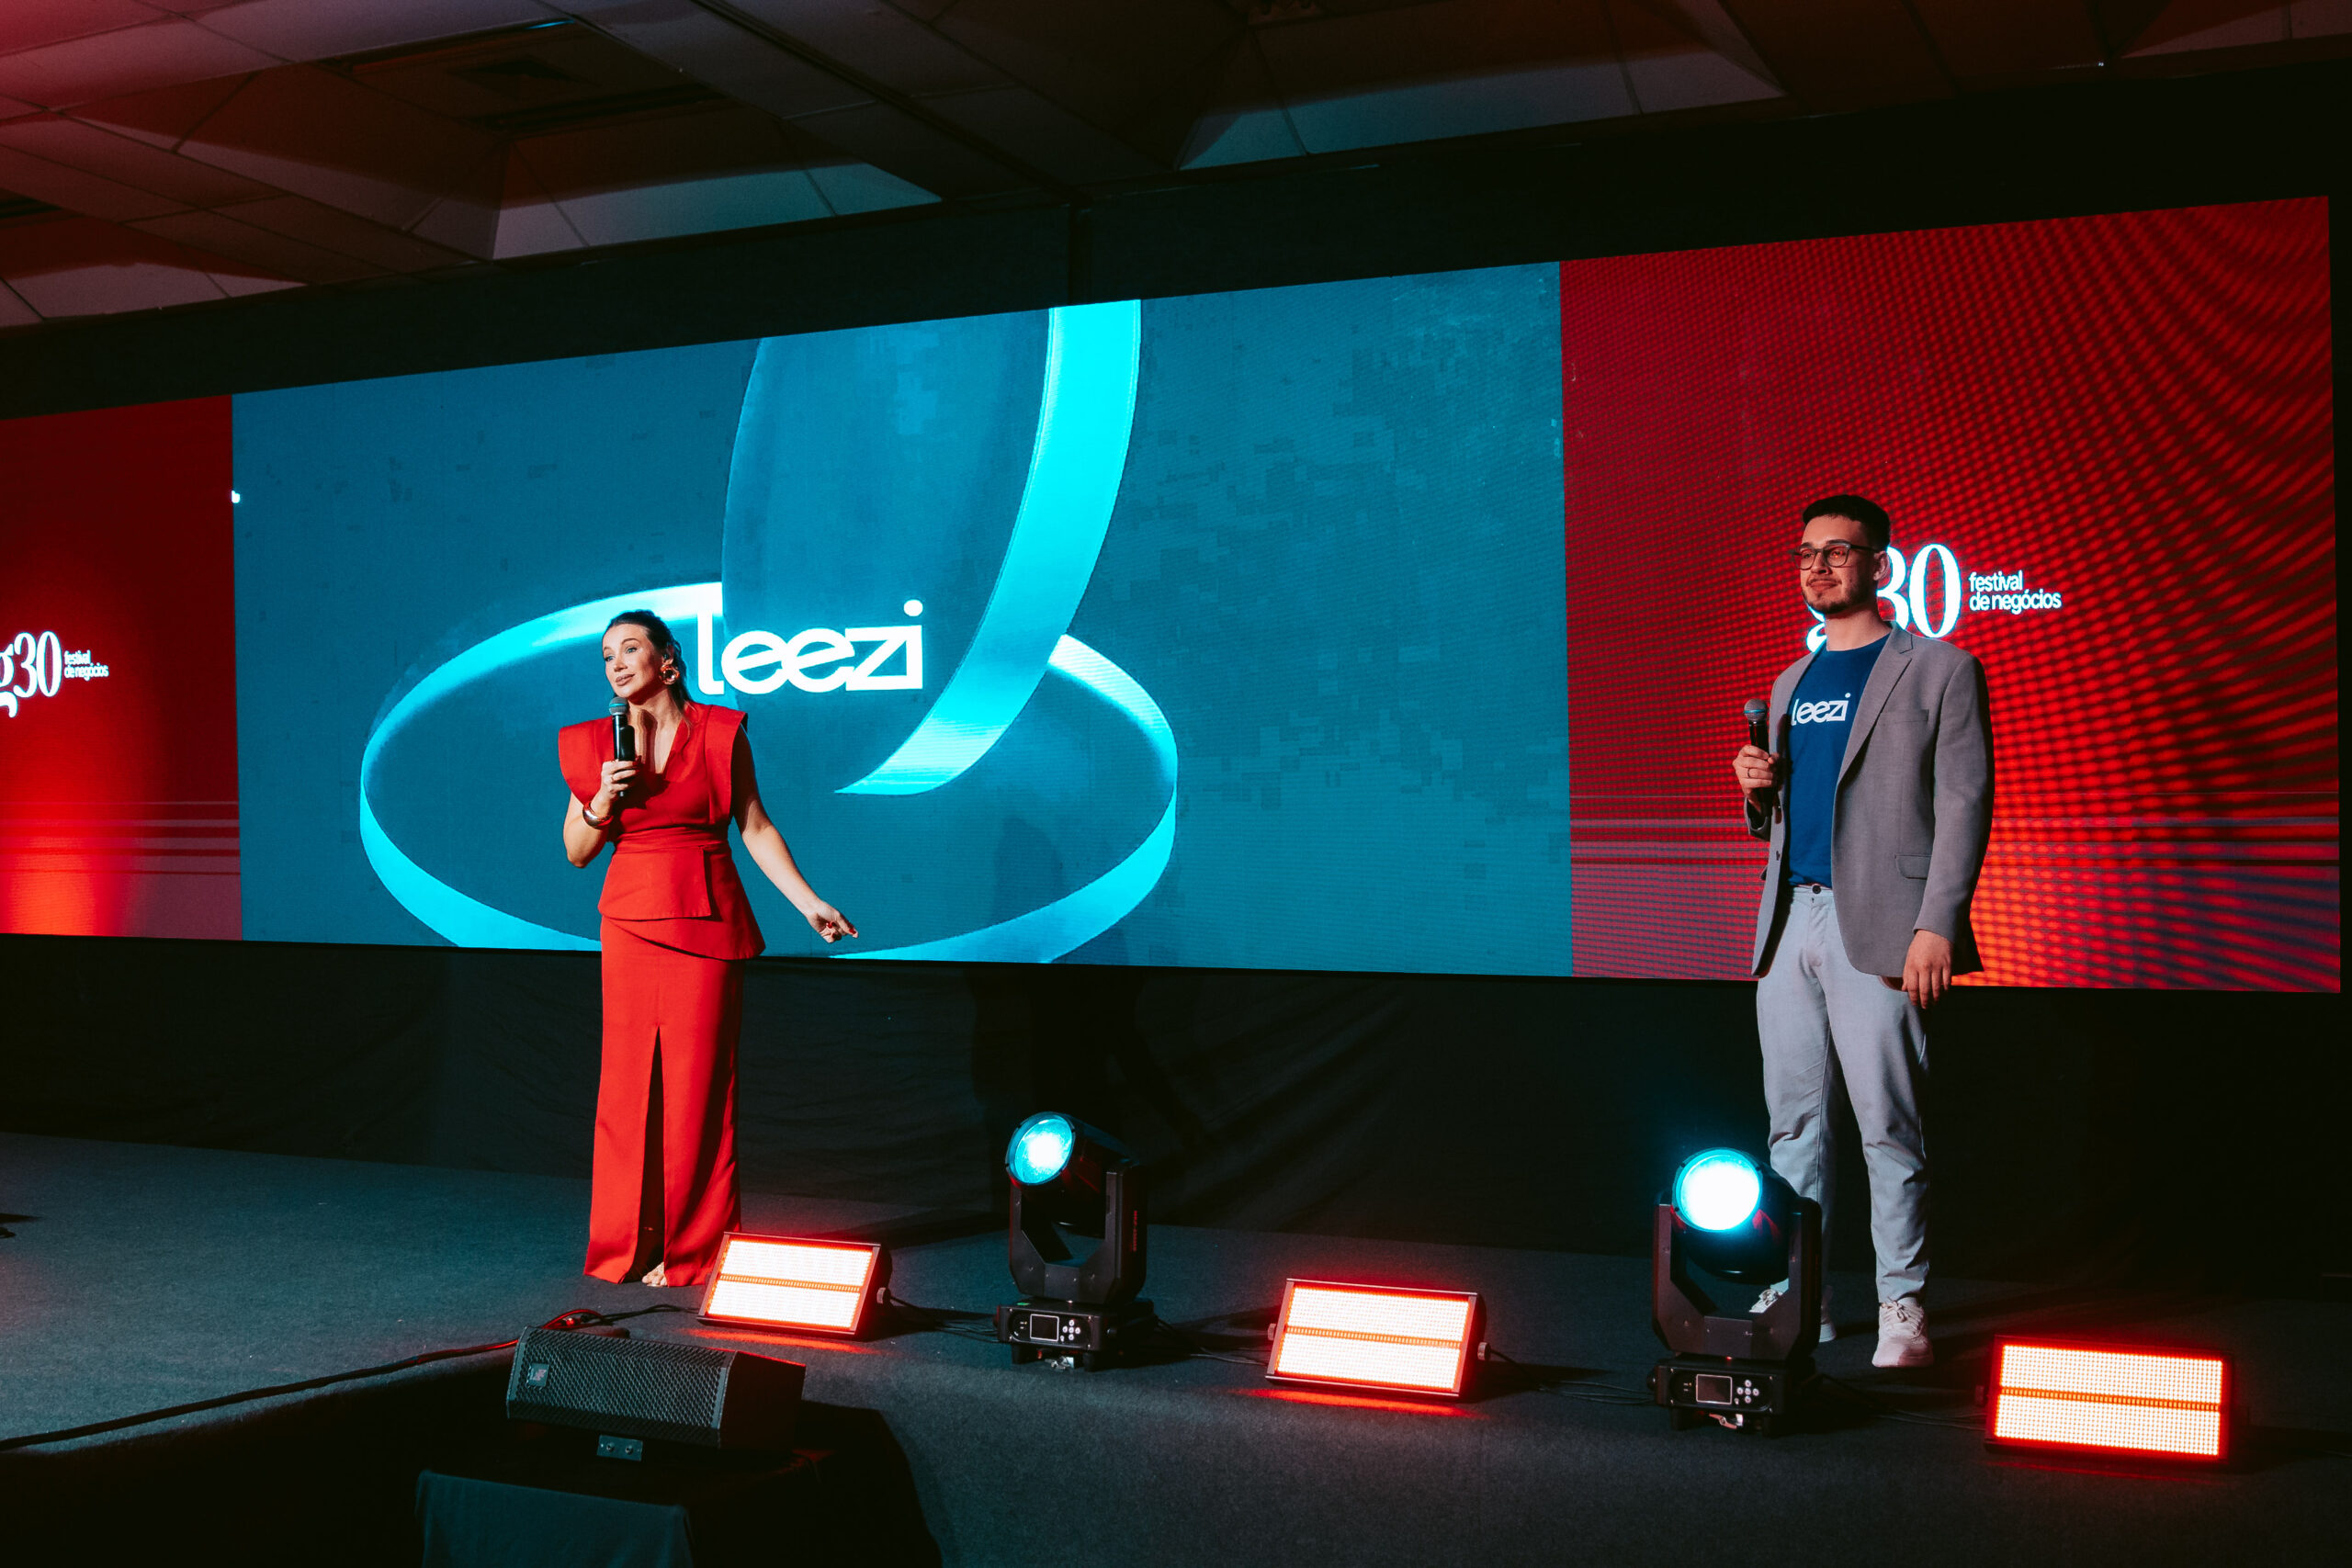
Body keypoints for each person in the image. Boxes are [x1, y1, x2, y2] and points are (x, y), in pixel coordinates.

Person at [1730, 496, 1991, 1369]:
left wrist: (1937, 924)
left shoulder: (1941, 668)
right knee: (1793, 1130)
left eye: (1838, 552)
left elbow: (1964, 805)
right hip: (1789, 921)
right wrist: (1755, 789)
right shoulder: (1789, 682)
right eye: (1806, 553)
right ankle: (1800, 1299)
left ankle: (1901, 1306)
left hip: (1881, 922)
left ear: (1880, 565)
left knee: (1888, 1126)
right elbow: (1780, 821)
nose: (1818, 566)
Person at [560, 611, 857, 1288]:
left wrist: (808, 902)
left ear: (668, 660)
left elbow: (754, 825)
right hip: (630, 919)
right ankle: (625, 1244)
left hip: (706, 916)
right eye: (606, 655)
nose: (616, 664)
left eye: (630, 648)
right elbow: (576, 851)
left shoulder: (722, 733)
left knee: (698, 1090)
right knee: (626, 1090)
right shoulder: (591, 744)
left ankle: (692, 1251)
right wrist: (602, 797)